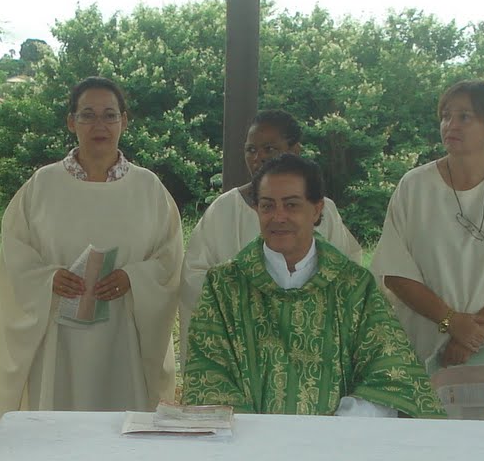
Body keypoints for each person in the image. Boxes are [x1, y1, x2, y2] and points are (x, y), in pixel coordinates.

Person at [184, 154, 438, 417]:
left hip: (337, 438)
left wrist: (338, 426)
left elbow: (391, 373)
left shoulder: (353, 287)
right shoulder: (224, 286)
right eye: (267, 206)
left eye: (291, 205)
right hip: (248, 438)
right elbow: (208, 375)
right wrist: (257, 432)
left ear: (317, 209)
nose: (278, 217)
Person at [0, 76, 182, 422]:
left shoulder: (148, 189)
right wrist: (48, 279)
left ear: (124, 121)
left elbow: (169, 259)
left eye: (109, 115)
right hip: (58, 335)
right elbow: (15, 255)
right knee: (59, 424)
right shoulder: (43, 186)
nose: (100, 125)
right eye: (88, 115)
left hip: (124, 334)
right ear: (71, 122)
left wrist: (133, 278)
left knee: (122, 426)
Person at [371, 79, 484, 421]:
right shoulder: (414, 187)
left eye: (464, 117)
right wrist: (451, 321)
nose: (450, 125)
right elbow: (395, 272)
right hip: (424, 344)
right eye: (445, 116)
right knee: (420, 437)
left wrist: (470, 334)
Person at [179, 108, 361, 367]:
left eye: (269, 149)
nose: (258, 158)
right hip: (240, 349)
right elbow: (194, 276)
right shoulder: (224, 210)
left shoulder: (323, 210)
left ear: (295, 150)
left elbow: (346, 273)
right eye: (251, 150)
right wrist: (246, 304)